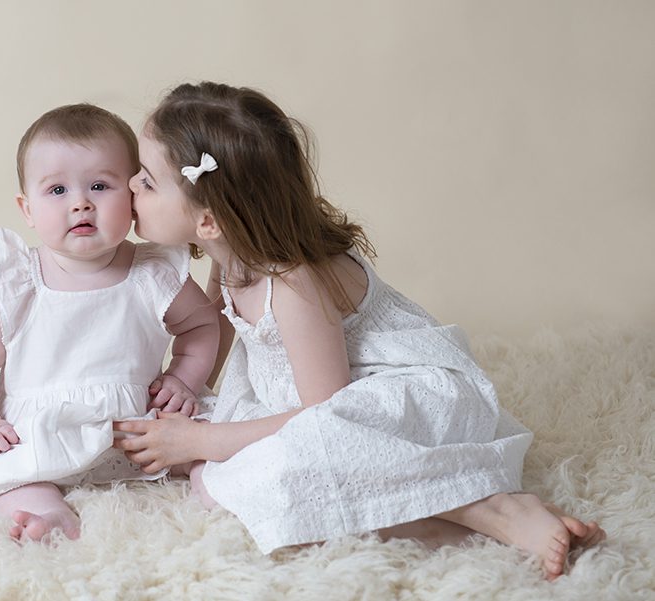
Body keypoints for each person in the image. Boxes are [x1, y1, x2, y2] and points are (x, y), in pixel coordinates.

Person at [113, 82, 605, 579]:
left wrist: (201, 440)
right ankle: (442, 514)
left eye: (147, 181)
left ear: (209, 221)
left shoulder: (291, 281)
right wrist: (189, 394)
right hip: (319, 397)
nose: (130, 186)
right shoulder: (229, 255)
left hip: (400, 396)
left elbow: (326, 415)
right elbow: (217, 326)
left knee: (272, 472)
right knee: (216, 484)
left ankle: (486, 513)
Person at [0, 104, 220, 542]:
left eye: (99, 186)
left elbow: (202, 326)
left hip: (137, 427)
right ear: (27, 208)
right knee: (6, 474)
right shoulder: (17, 280)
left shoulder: (153, 273)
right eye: (57, 191)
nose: (81, 203)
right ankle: (45, 512)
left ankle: (217, 492)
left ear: (132, 196)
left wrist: (183, 379)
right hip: (38, 428)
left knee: (208, 447)